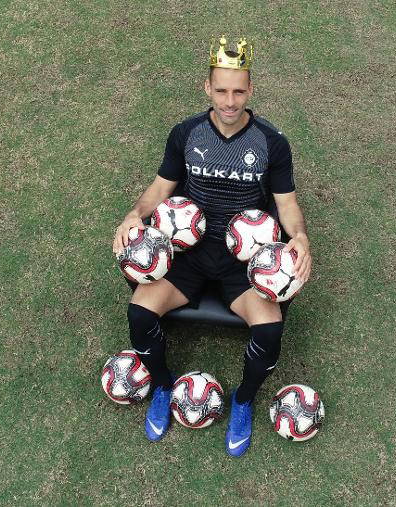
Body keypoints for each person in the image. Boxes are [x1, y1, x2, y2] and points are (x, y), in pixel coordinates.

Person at [111, 36, 312, 457]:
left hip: (246, 259)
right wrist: (134, 214)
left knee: (270, 329)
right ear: (207, 88)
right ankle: (162, 385)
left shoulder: (271, 142)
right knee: (139, 314)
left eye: (238, 91)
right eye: (221, 90)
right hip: (189, 250)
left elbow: (287, 204)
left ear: (251, 89)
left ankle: (243, 399)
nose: (230, 101)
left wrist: (299, 237)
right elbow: (161, 188)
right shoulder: (186, 133)